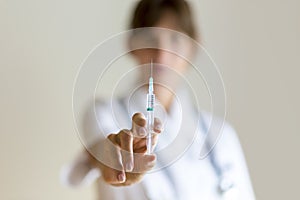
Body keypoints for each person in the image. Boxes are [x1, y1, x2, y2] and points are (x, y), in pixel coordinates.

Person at [61, 0, 255, 199]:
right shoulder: (104, 113)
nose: (162, 54)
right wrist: (109, 158)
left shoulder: (220, 136)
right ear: (131, 44)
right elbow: (101, 150)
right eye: (151, 39)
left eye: (175, 39)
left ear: (194, 46)